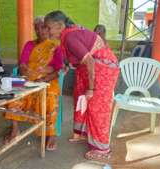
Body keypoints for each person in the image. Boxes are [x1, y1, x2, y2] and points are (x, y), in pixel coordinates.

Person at [45, 11, 119, 160]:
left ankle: (103, 149)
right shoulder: (67, 35)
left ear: (59, 26)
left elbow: (90, 61)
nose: (46, 31)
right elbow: (76, 57)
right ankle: (83, 134)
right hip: (86, 69)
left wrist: (91, 89)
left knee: (97, 106)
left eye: (48, 28)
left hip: (102, 68)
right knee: (80, 99)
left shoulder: (70, 37)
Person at [4, 16, 63, 151]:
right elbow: (22, 64)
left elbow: (57, 71)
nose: (39, 31)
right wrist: (27, 72)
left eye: (43, 27)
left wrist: (43, 78)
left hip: (47, 80)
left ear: (48, 29)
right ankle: (15, 129)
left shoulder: (55, 47)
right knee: (13, 92)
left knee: (50, 95)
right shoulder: (29, 45)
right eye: (36, 28)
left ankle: (51, 134)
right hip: (28, 78)